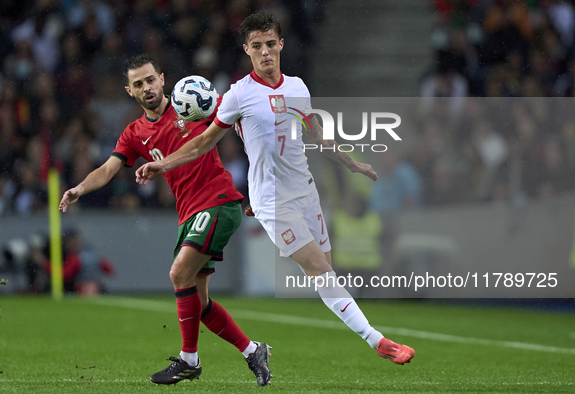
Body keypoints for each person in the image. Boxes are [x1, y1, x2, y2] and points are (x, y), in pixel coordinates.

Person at [136, 11, 415, 369]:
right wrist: (163, 163)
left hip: (305, 192)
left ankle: (354, 338)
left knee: (326, 276)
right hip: (272, 201)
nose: (265, 52)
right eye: (257, 46)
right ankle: (379, 341)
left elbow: (317, 135)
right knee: (320, 271)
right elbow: (204, 142)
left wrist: (353, 164)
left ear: (281, 44)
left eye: (270, 44)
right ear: (246, 50)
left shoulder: (297, 87)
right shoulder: (238, 95)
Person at [59, 54, 272, 386]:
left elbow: (241, 129)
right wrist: (80, 188)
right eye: (138, 84)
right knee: (198, 304)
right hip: (188, 213)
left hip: (217, 201)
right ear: (130, 91)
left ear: (162, 79)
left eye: (150, 80)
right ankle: (252, 351)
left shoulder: (193, 104)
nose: (147, 87)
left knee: (178, 273)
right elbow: (109, 168)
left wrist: (259, 188)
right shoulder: (134, 133)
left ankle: (189, 359)